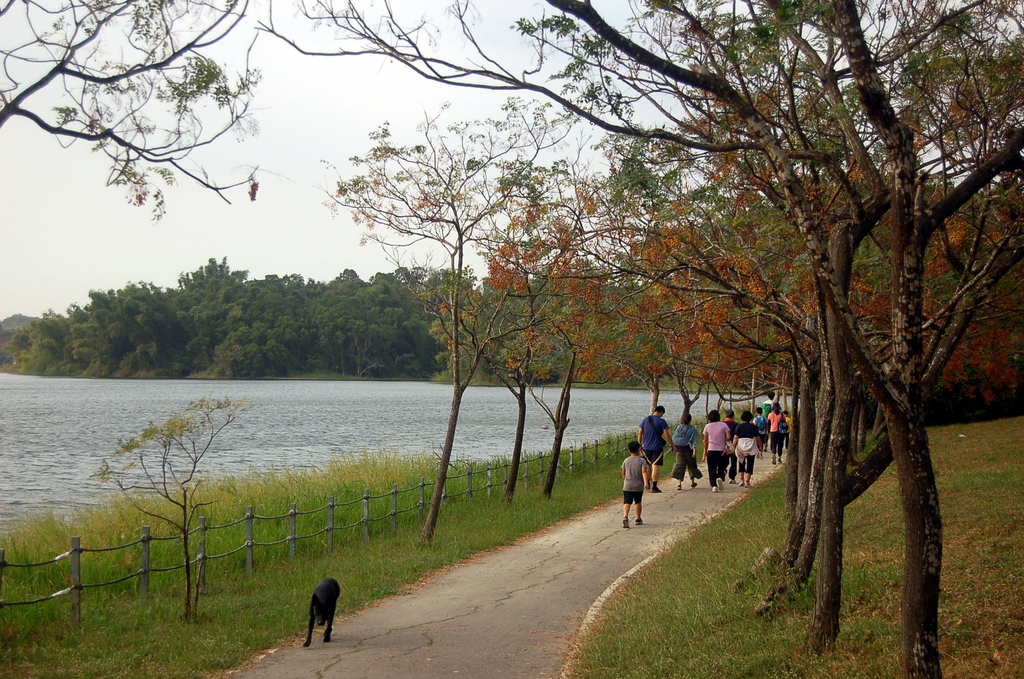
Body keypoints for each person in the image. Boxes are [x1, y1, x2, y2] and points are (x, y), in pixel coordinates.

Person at [637, 405, 672, 493]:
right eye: (662, 414)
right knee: (655, 465)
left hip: (646, 447)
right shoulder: (662, 421)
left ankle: (647, 484)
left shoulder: (645, 420)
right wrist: (672, 444)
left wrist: (640, 444)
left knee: (648, 465)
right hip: (657, 447)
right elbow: (667, 435)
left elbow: (640, 432)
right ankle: (655, 486)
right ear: (661, 412)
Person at [621, 441, 651, 528]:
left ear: (629, 450)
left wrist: (626, 479)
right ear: (639, 450)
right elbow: (644, 472)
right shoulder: (642, 461)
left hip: (627, 485)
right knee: (638, 501)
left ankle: (625, 516)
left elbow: (623, 472)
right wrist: (646, 482)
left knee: (627, 501)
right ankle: (638, 518)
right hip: (638, 486)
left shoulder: (626, 460)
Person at [670, 412, 702, 489]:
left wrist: (673, 447)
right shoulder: (692, 429)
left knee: (680, 465)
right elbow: (693, 441)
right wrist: (694, 451)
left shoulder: (678, 428)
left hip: (679, 450)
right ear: (690, 420)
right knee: (692, 466)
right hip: (688, 450)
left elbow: (674, 438)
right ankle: (693, 482)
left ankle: (679, 484)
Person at [702, 409, 731, 493]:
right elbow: (728, 437)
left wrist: (705, 452)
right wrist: (722, 439)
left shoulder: (707, 426)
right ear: (718, 416)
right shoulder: (724, 425)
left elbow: (706, 440)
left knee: (711, 468)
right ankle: (720, 476)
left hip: (711, 449)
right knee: (721, 466)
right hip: (721, 450)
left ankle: (714, 486)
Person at [732, 410, 762, 487]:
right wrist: (760, 446)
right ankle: (747, 481)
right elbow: (758, 438)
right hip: (751, 445)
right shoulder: (754, 427)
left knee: (741, 462)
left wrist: (733, 446)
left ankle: (741, 479)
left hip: (741, 445)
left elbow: (736, 437)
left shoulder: (739, 426)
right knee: (750, 463)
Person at [723, 409, 739, 484]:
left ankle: (723, 471)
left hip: (724, 445)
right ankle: (732, 477)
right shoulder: (736, 424)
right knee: (733, 462)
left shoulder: (722, 424)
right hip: (734, 444)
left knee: (724, 461)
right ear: (733, 416)